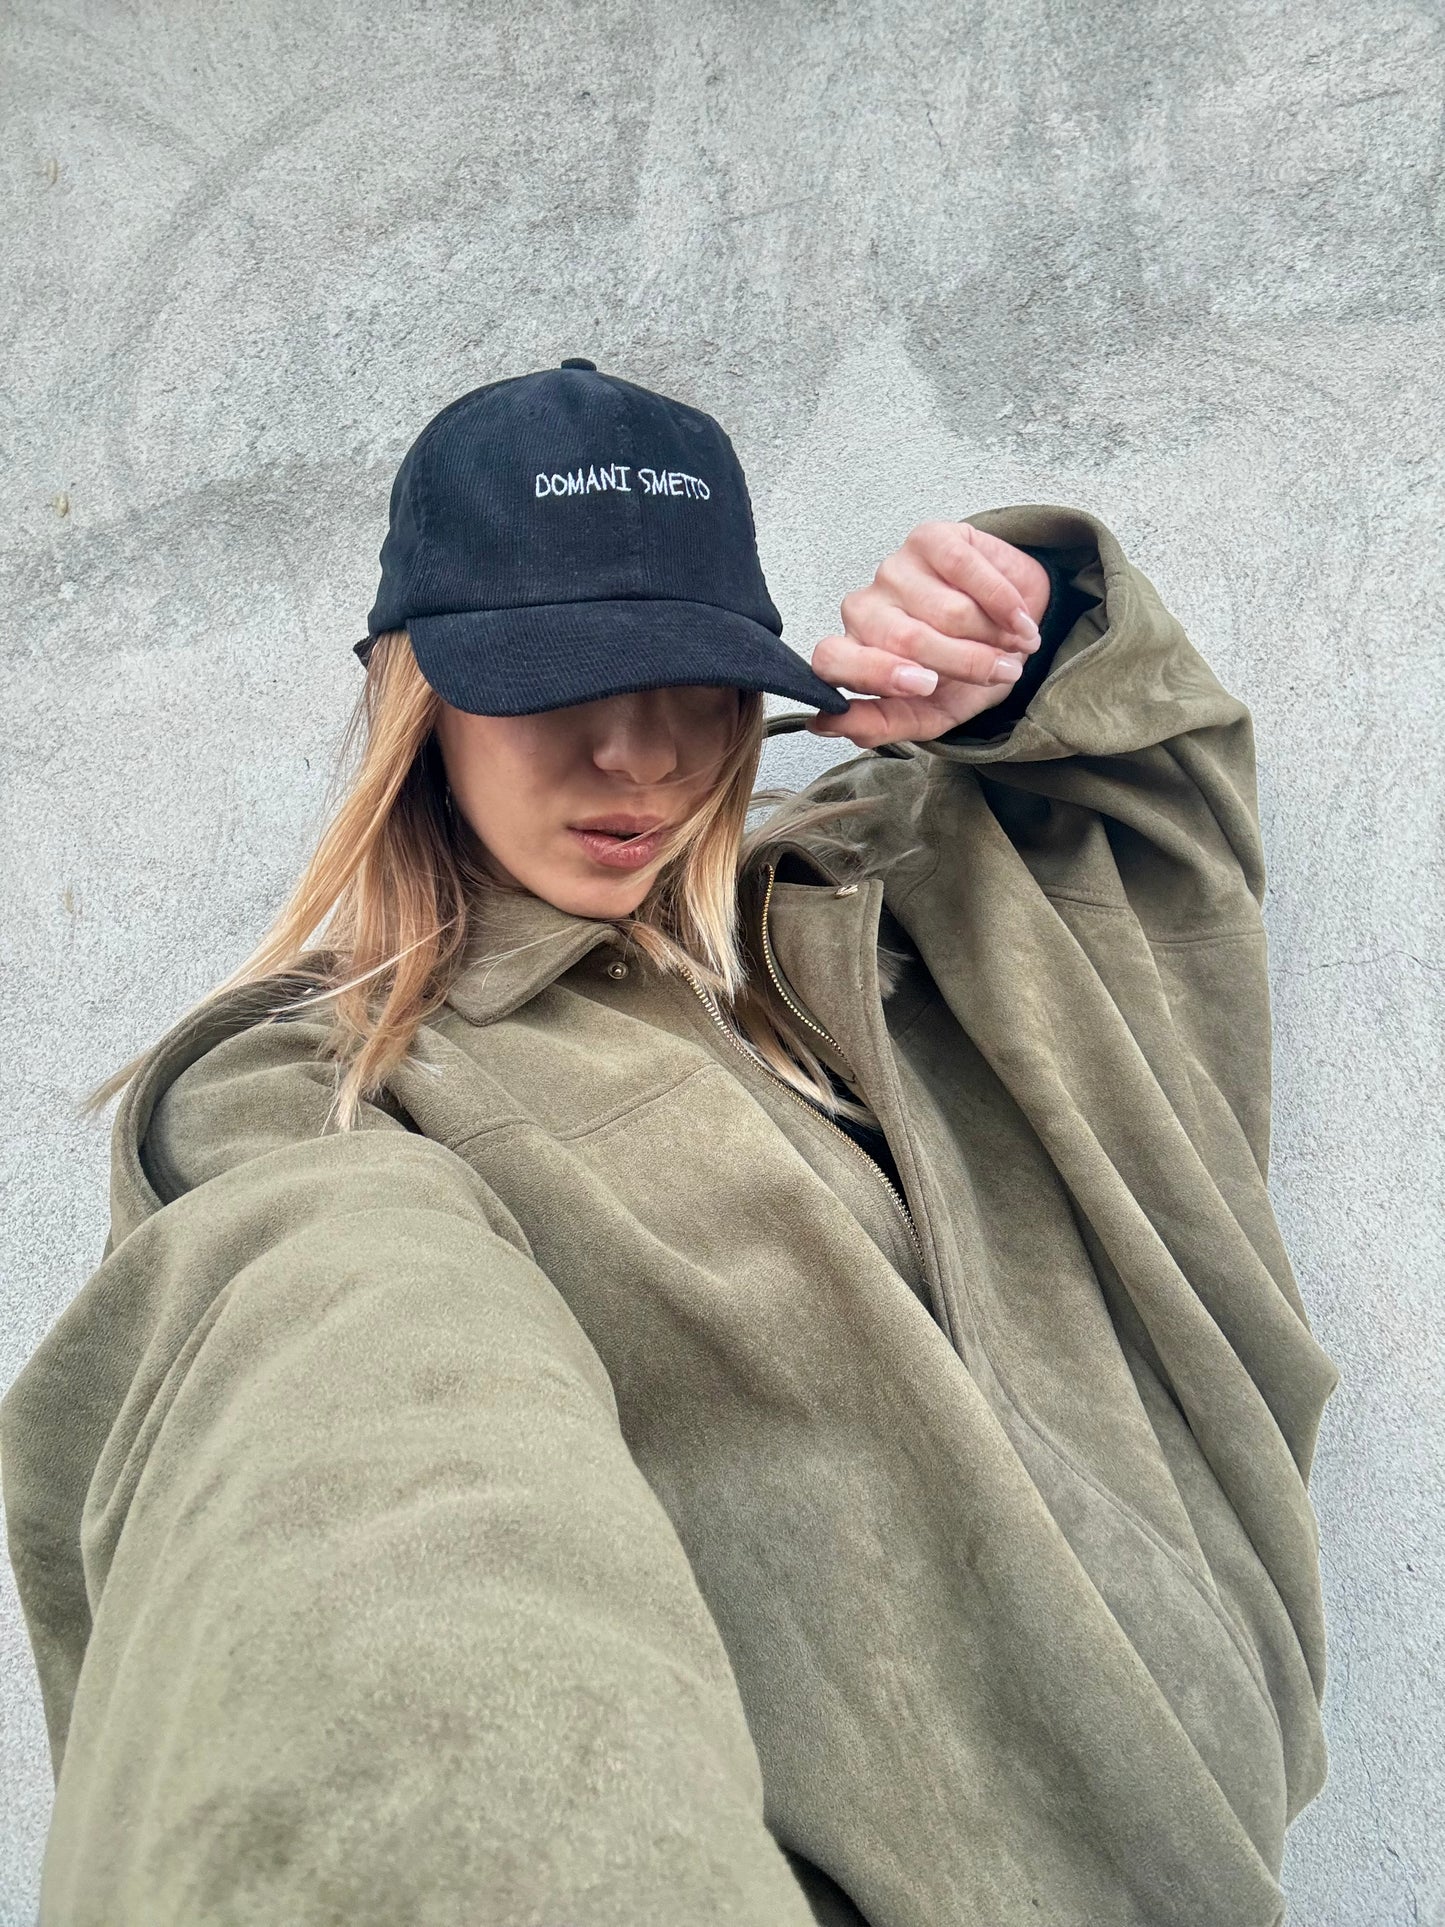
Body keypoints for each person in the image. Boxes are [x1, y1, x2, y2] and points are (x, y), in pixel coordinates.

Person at [1, 359, 1337, 1927]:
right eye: (557, 679)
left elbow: (1152, 820)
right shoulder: (312, 1094)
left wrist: (1018, 640)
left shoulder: (872, 912)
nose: (637, 755)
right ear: (414, 695)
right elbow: (371, 1468)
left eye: (695, 682)